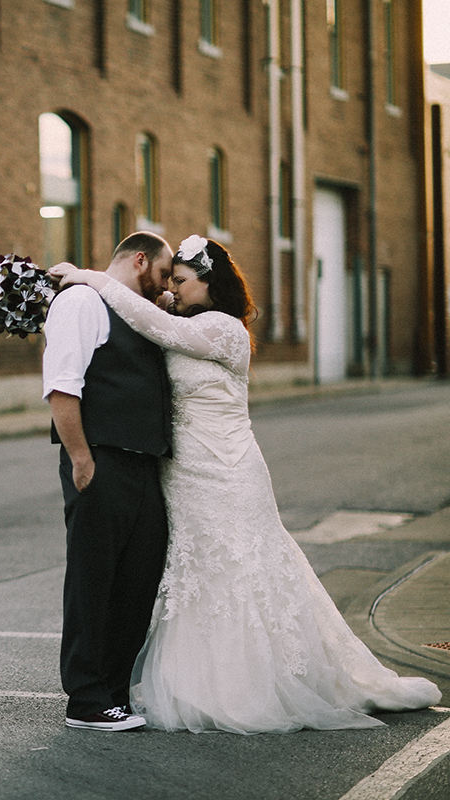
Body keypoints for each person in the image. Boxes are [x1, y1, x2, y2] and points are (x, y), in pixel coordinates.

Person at [49, 236, 442, 734]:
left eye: (181, 281)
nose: (171, 289)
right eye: (169, 280)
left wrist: (94, 277)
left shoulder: (225, 330)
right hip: (182, 474)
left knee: (242, 571)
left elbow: (158, 324)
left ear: (210, 284)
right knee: (200, 579)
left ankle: (253, 686)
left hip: (228, 469)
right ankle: (192, 684)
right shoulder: (185, 322)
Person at [42, 231, 176, 731]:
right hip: (99, 461)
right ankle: (86, 698)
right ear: (140, 261)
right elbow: (62, 385)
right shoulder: (81, 301)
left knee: (138, 579)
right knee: (93, 579)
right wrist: (80, 458)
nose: (165, 288)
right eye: (163, 275)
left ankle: (115, 691)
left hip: (143, 465)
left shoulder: (135, 310)